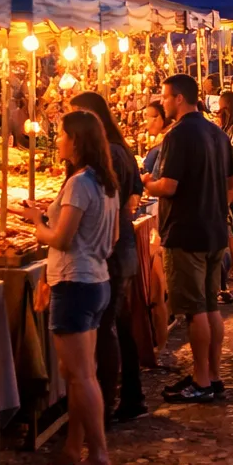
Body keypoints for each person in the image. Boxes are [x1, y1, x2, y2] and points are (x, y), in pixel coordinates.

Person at [13, 111, 117, 465]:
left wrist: (38, 222)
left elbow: (61, 238)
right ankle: (73, 449)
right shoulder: (105, 182)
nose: (57, 140)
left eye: (61, 135)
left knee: (82, 375)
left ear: (76, 140)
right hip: (96, 281)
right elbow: (113, 237)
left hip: (76, 283)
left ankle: (99, 456)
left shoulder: (78, 184)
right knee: (75, 374)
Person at [143, 74, 233, 403]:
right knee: (209, 306)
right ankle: (213, 374)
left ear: (179, 98)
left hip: (186, 231)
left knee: (195, 310)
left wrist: (146, 183)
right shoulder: (216, 132)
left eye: (165, 98)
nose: (163, 103)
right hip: (214, 229)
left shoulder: (178, 135)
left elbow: (168, 186)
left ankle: (200, 379)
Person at [70, 91, 148, 424]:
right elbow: (135, 191)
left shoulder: (110, 155)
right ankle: (130, 394)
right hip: (120, 246)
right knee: (118, 323)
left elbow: (108, 202)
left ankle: (110, 399)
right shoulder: (120, 150)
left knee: (108, 328)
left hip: (113, 251)